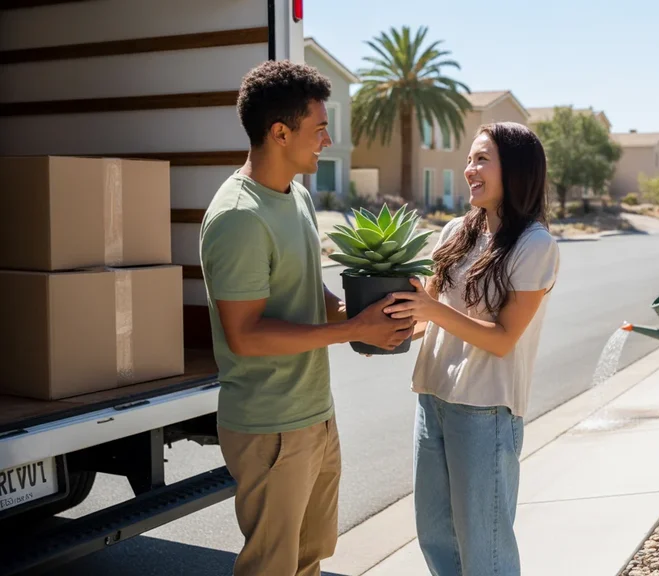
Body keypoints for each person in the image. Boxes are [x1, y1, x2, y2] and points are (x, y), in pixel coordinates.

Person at [199, 60, 414, 576]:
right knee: (271, 568)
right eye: (319, 128)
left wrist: (368, 312)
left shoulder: (294, 194)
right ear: (279, 132)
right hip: (270, 426)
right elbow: (244, 336)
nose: (327, 139)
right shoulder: (237, 218)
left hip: (314, 413)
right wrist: (352, 331)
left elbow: (304, 292)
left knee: (309, 559)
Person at [381, 122, 559, 575]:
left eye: (482, 159)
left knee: (486, 550)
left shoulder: (535, 245)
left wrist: (430, 309)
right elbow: (434, 316)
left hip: (485, 411)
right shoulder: (456, 232)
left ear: (515, 170)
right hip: (433, 399)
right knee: (437, 537)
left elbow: (501, 340)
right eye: (468, 159)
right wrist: (391, 329)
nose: (469, 169)